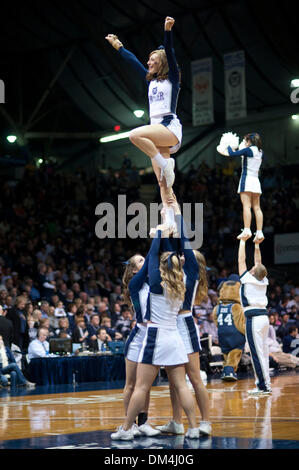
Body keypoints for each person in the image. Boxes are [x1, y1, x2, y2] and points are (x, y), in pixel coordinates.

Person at [111, 227, 198, 441]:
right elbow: (161, 262)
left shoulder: (157, 283)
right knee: (144, 385)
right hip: (162, 335)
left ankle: (129, 427)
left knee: (143, 385)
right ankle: (192, 426)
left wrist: (159, 235)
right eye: (138, 261)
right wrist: (168, 235)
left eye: (144, 260)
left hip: (155, 335)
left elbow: (154, 261)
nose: (145, 262)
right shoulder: (174, 282)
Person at [105, 17, 181, 197]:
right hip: (156, 133)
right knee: (163, 183)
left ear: (162, 63)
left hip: (168, 128)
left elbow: (169, 52)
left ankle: (164, 165)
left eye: (152, 60)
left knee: (134, 134)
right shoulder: (151, 82)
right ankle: (170, 221)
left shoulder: (173, 79)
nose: (148, 63)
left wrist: (167, 31)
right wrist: (119, 47)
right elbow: (133, 62)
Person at [155, 204, 211, 436]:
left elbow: (184, 241)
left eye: (183, 255)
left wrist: (177, 215)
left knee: (195, 378)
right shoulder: (175, 270)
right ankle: (176, 422)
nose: (179, 255)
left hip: (184, 324)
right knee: (174, 380)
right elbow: (168, 250)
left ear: (189, 260)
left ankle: (205, 422)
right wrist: (165, 218)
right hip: (169, 326)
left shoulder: (192, 273)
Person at [238, 239, 271, 395]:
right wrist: (257, 245)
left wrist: (242, 242)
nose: (252, 266)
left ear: (253, 272)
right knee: (263, 352)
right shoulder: (263, 280)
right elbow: (258, 262)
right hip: (264, 317)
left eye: (253, 267)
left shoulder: (247, 278)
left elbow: (241, 260)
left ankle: (263, 386)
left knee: (257, 353)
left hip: (254, 319)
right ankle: (265, 384)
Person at [218, 132, 264, 243]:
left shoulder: (248, 150)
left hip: (247, 180)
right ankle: (259, 231)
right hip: (256, 181)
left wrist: (227, 143)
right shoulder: (261, 152)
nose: (245, 143)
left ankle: (247, 229)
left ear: (249, 141)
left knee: (246, 206)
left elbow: (231, 153)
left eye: (245, 141)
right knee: (257, 208)